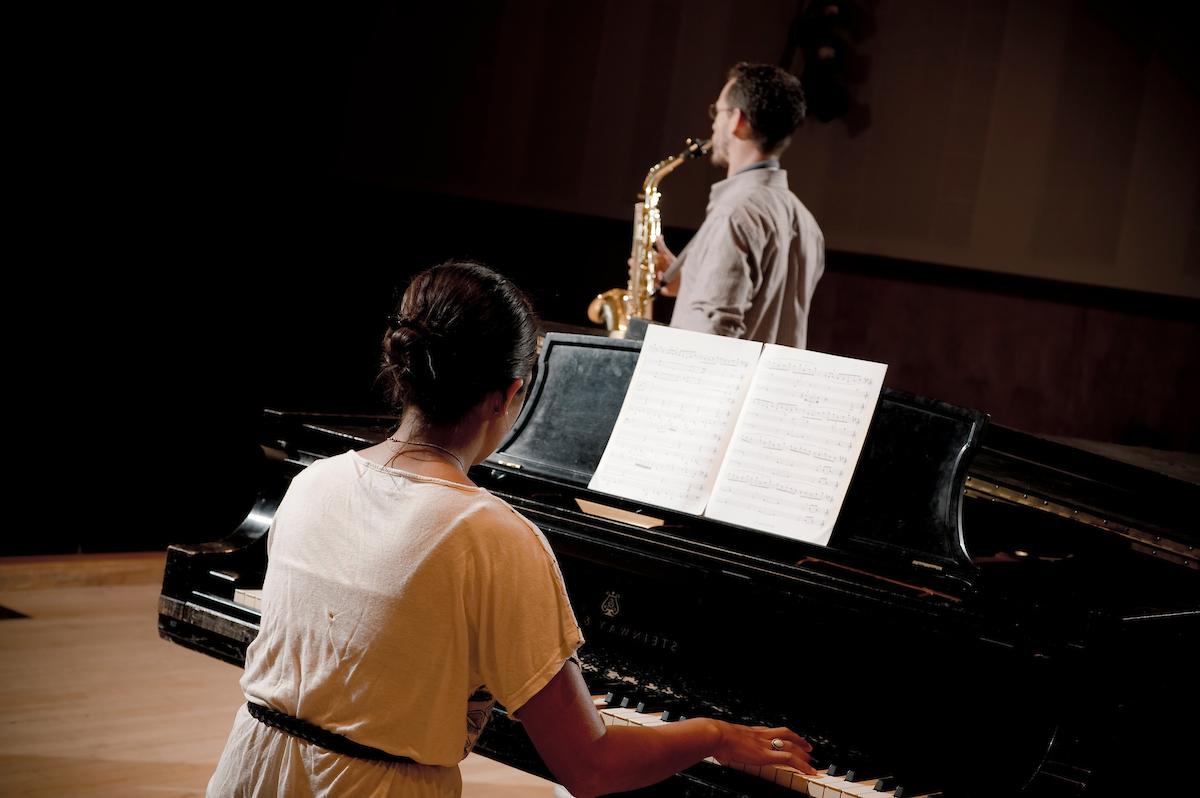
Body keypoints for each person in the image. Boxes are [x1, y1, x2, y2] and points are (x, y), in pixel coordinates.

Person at [207, 260, 816, 797]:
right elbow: (592, 768)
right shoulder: (492, 537)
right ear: (508, 396)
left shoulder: (315, 482)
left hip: (248, 773)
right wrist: (712, 733)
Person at [656, 62, 825, 348]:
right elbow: (762, 312)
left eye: (717, 112)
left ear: (737, 120)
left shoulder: (735, 214)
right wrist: (690, 282)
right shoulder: (807, 223)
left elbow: (712, 338)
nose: (713, 124)